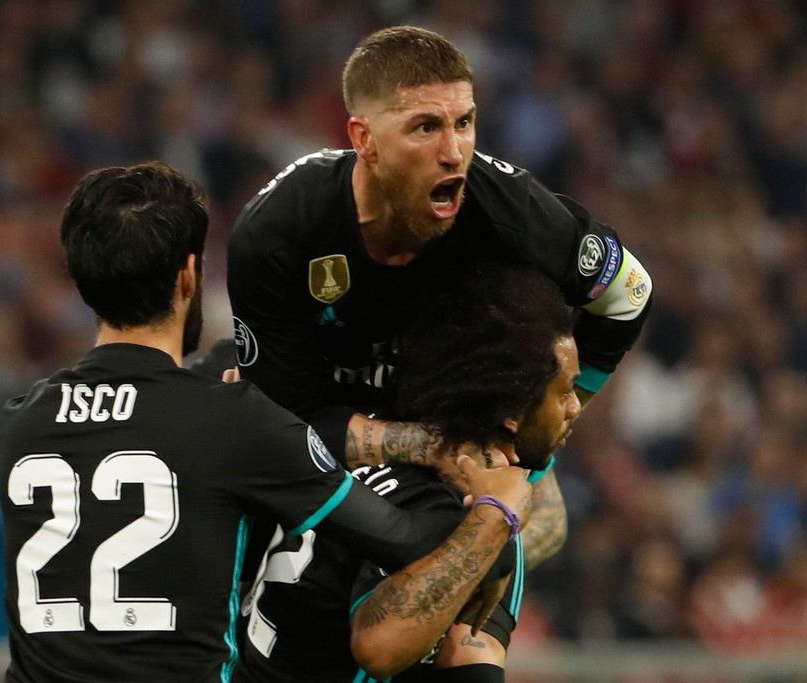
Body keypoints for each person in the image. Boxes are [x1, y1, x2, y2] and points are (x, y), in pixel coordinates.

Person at [0, 161, 531, 683]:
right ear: (189, 275)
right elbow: (406, 539)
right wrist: (498, 510)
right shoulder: (230, 419)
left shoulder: (19, 422)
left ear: (83, 279)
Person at [227, 25, 651, 567]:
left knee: (503, 547)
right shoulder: (278, 235)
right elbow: (282, 428)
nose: (454, 154)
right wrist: (432, 446)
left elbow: (629, 294)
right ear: (364, 140)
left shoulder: (510, 210)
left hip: (459, 426)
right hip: (333, 427)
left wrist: (537, 438)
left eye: (464, 123)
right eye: (426, 127)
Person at [235, 264, 581, 682]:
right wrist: (497, 520)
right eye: (564, 392)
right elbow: (379, 647)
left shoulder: (372, 427)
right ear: (512, 412)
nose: (575, 407)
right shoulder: (446, 505)